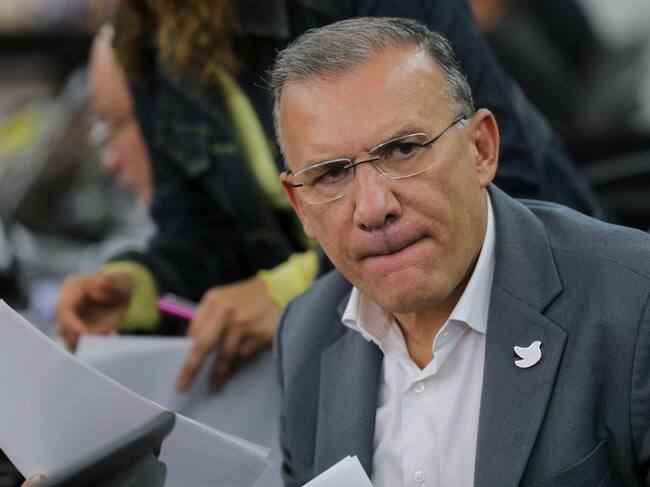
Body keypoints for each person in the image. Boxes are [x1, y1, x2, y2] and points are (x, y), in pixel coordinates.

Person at [55, 0, 608, 392]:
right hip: (352, 336)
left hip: (534, 306)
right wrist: (140, 286)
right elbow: (200, 229)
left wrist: (288, 292)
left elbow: (486, 173)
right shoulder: (146, 30)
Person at [271, 17, 650, 487]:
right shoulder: (303, 337)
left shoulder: (632, 303)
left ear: (482, 149)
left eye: (403, 150)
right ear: (300, 206)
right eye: (331, 174)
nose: (373, 208)